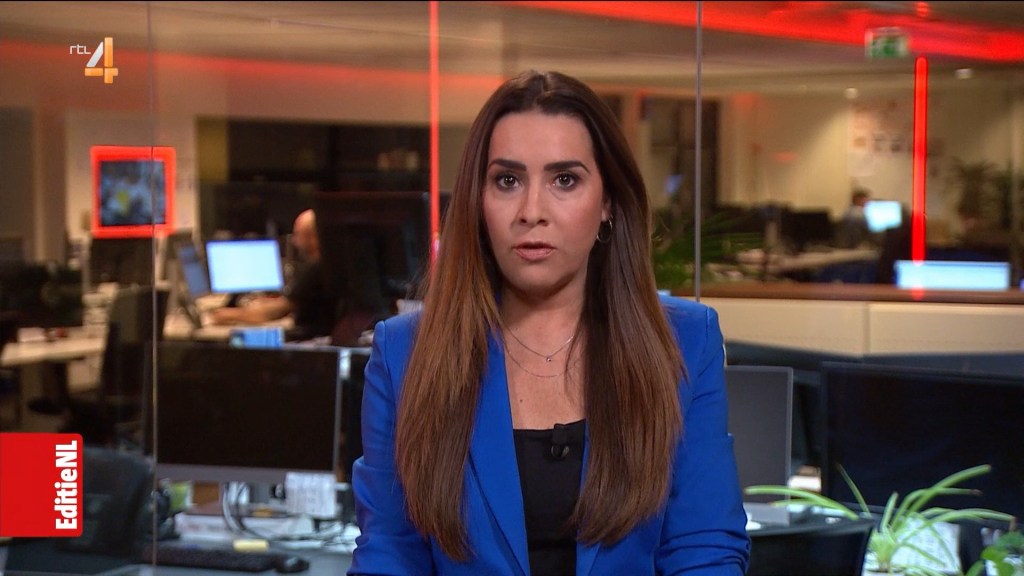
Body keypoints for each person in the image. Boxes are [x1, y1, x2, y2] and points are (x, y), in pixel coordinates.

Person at [348, 70, 750, 576]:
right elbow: (389, 554)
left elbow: (703, 549)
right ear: (477, 202)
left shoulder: (686, 342)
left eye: (564, 180)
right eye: (507, 181)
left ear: (607, 202)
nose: (531, 211)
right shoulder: (404, 353)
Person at [210, 209, 335, 339]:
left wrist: (230, 315)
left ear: (313, 237)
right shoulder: (332, 263)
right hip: (320, 337)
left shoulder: (316, 269)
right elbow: (292, 302)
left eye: (298, 235)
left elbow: (272, 313)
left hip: (308, 342)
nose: (294, 241)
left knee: (239, 340)